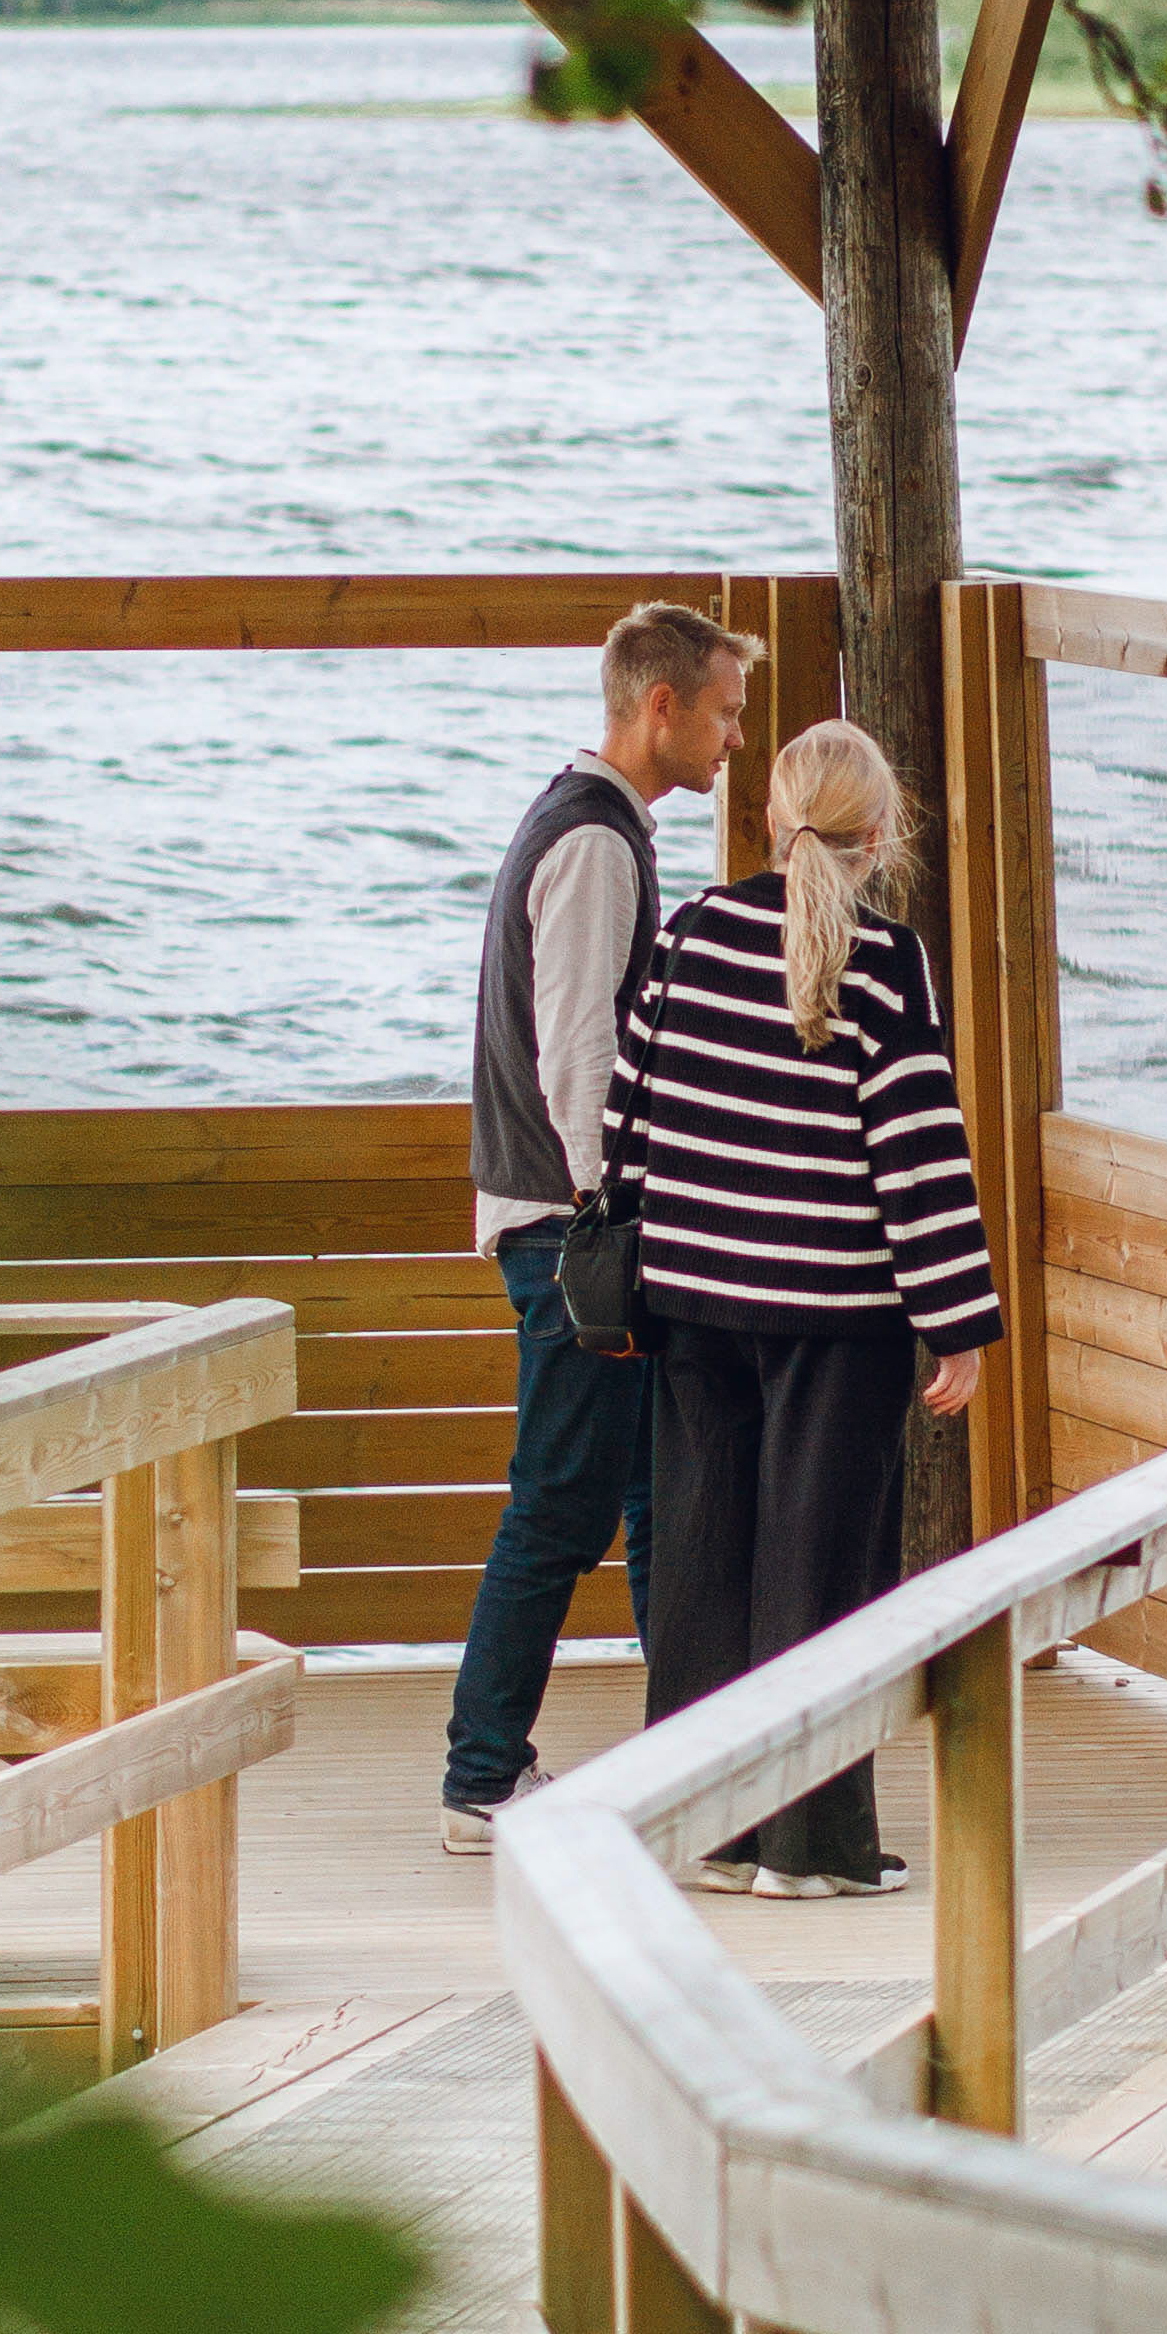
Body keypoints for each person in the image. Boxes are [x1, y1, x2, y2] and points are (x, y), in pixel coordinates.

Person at [602, 717, 1001, 1899]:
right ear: (882, 835)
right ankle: (810, 1849)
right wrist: (956, 1319)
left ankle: (699, 1830)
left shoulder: (691, 933)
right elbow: (916, 1152)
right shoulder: (887, 962)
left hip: (692, 1298)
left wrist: (635, 1245)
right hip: (836, 1306)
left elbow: (630, 1112)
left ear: (772, 822)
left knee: (699, 1564)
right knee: (819, 1574)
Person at [441, 600, 755, 1853]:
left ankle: (675, 1753)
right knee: (563, 1503)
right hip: (572, 1230)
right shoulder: (593, 847)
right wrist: (603, 1222)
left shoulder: (589, 827)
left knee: (642, 1492)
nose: (735, 739)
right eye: (724, 713)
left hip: (566, 1221)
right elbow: (578, 1052)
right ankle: (480, 1776)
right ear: (659, 705)